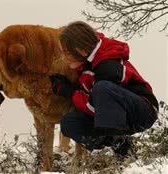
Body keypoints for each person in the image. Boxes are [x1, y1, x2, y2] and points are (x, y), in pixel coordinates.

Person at [50, 21, 159, 156]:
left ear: (81, 51)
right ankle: (108, 149)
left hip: (142, 111)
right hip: (117, 115)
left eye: (66, 53)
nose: (64, 58)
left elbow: (96, 107)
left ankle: (122, 150)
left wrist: (69, 92)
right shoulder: (86, 63)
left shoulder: (107, 65)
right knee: (69, 123)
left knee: (102, 88)